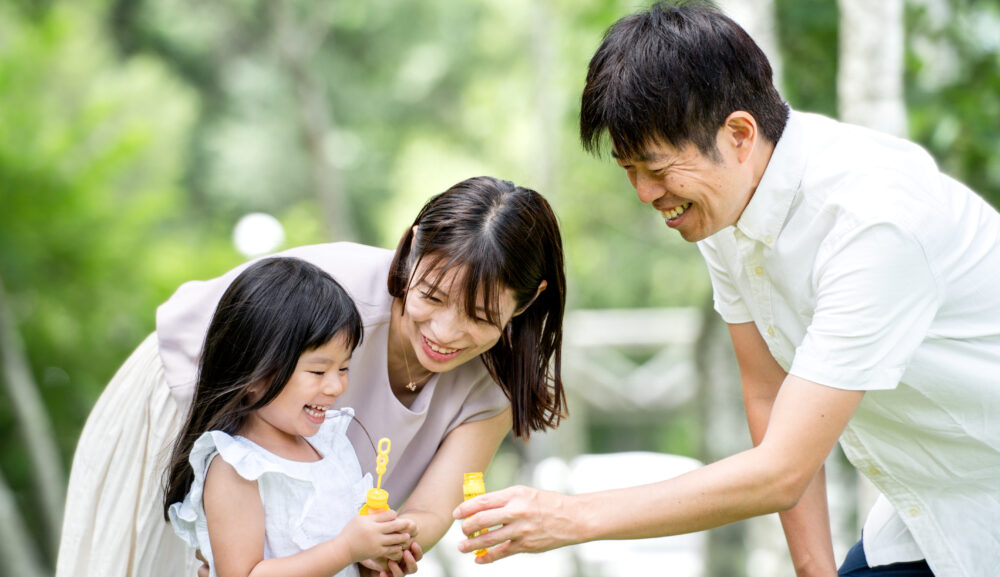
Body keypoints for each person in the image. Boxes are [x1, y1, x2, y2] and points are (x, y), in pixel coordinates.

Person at [453, 3, 1000, 577]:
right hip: (931, 510)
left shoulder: (874, 222)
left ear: (739, 134)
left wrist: (573, 517)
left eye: (657, 169)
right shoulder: (724, 207)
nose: (644, 194)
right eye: (628, 170)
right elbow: (769, 393)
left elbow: (782, 470)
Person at [56, 176, 567, 577]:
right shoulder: (334, 293)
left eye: (480, 317)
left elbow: (432, 508)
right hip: (185, 400)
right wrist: (219, 533)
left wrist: (383, 547)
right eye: (431, 297)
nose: (445, 332)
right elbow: (229, 398)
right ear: (411, 249)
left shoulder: (492, 390)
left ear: (530, 299)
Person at [164, 256, 416, 577]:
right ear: (255, 374)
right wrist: (346, 548)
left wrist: (373, 557)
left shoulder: (329, 445)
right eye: (318, 370)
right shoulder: (238, 467)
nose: (336, 385)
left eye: (343, 368)